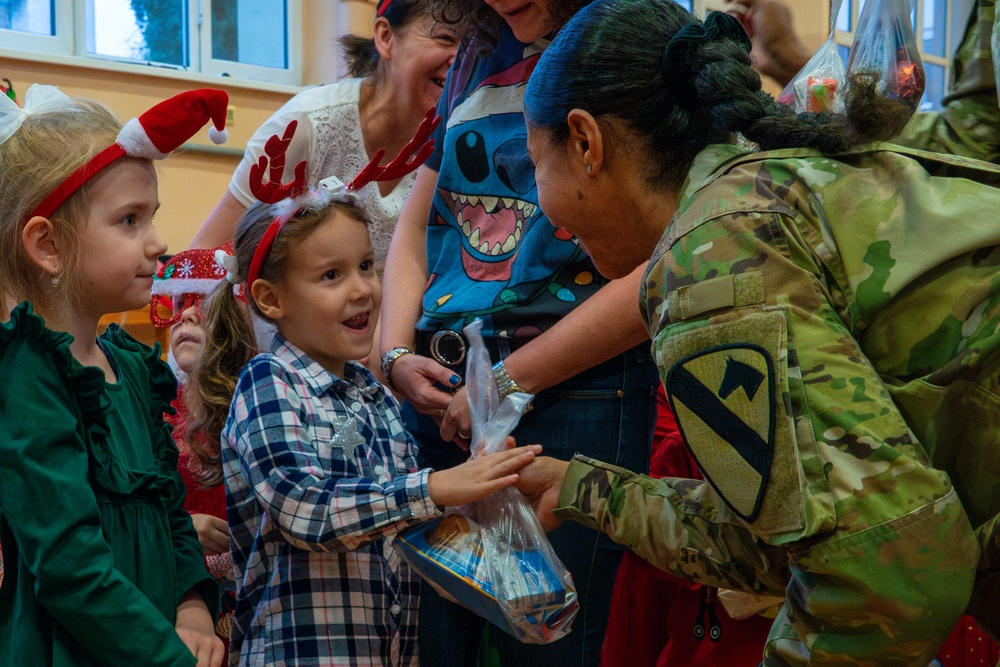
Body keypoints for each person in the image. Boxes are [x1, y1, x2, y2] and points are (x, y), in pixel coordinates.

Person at [515, 0, 1000, 663]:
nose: (554, 226)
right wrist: (583, 489)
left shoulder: (712, 252)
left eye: (533, 163)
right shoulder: (790, 180)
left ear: (585, 141)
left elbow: (884, 576)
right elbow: (799, 531)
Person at [196, 120, 542, 666]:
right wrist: (438, 485)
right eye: (331, 276)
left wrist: (483, 505)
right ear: (270, 298)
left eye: (364, 266)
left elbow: (406, 525)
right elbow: (305, 511)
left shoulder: (377, 398)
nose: (362, 289)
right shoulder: (268, 384)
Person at [377, 0, 660, 664]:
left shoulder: (624, 40)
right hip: (443, 393)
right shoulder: (476, 52)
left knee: (554, 637)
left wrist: (507, 381)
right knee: (436, 646)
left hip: (572, 392)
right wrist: (393, 353)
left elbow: (655, 272)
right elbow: (419, 225)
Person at [0, 85, 230, 666]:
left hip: (153, 637)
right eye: (129, 220)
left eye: (150, 216)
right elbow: (69, 569)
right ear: (47, 245)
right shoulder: (28, 374)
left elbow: (170, 509)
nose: (157, 242)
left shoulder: (131, 366)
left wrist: (191, 610)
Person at [189, 0, 459, 274]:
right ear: (385, 36)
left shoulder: (462, 140)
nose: (460, 60)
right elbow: (202, 259)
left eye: (473, 47)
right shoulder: (307, 123)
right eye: (446, 38)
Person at [150, 246, 239, 649]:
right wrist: (182, 529)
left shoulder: (259, 407)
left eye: (204, 304)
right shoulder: (151, 411)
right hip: (171, 593)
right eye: (180, 302)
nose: (187, 314)